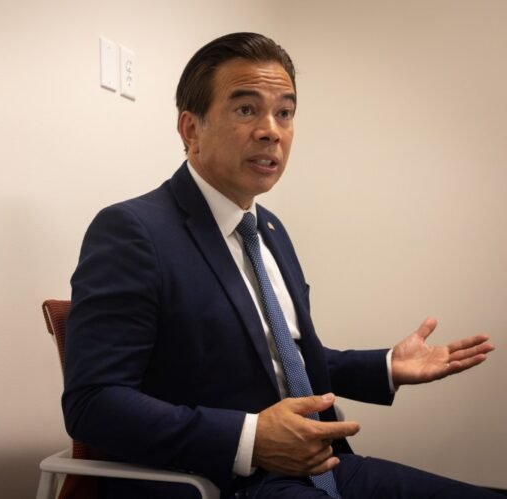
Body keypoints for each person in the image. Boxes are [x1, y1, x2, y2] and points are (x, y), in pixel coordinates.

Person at [62, 32, 498, 499]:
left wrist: (387, 366)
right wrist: (250, 440)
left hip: (323, 467)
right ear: (191, 130)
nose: (271, 130)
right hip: (221, 481)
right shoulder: (134, 231)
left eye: (284, 113)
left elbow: (282, 359)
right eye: (246, 109)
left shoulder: (268, 229)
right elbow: (94, 403)